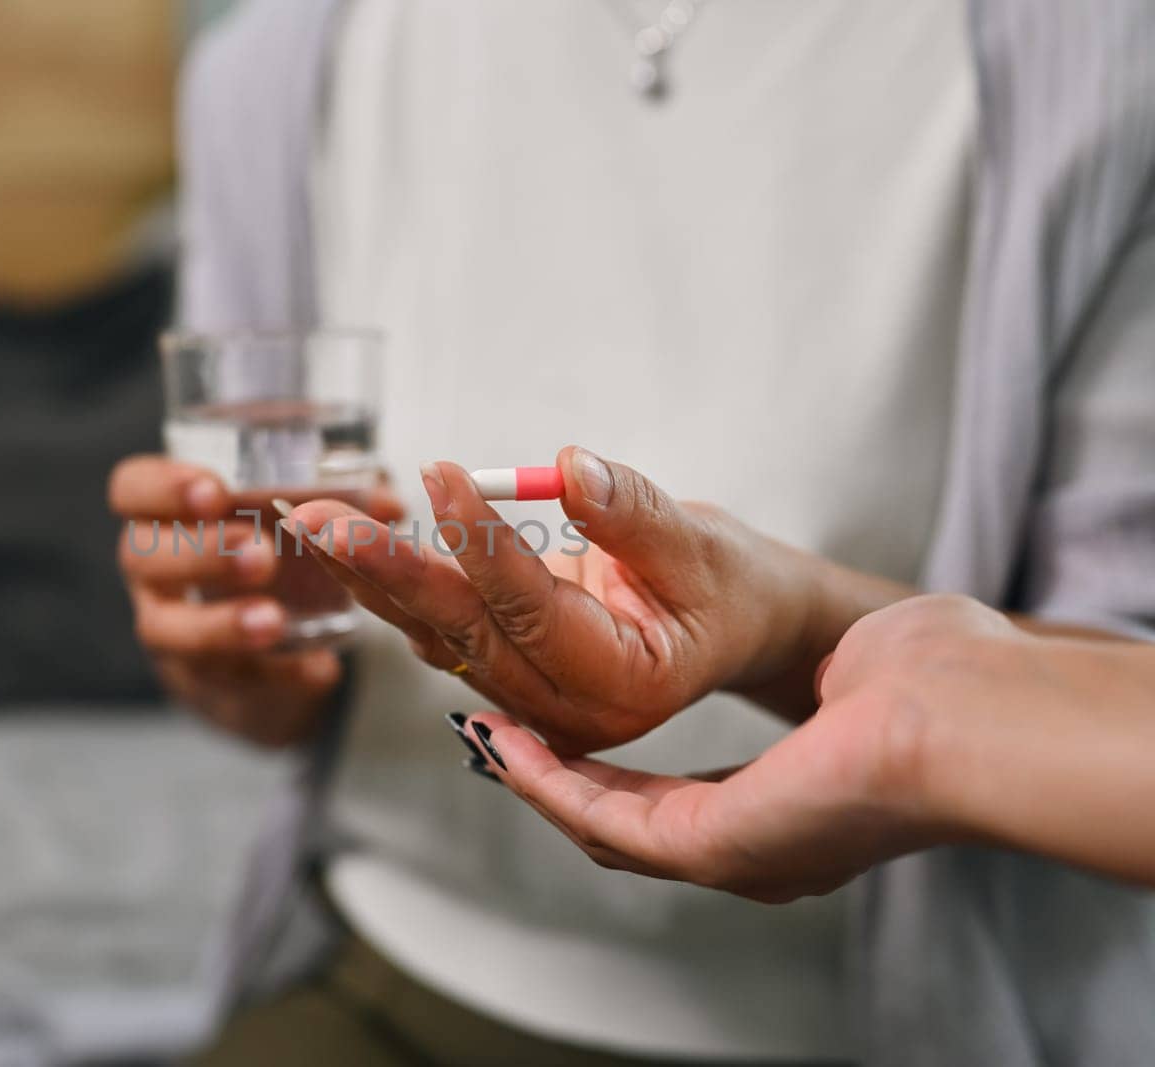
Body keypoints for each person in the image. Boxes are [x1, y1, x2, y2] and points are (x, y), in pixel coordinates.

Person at [111, 1, 1155, 1063]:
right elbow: (280, 663)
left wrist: (796, 632)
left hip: (886, 1025)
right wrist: (239, 659)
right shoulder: (280, 64)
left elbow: (1112, 681)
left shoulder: (1094, 60)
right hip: (386, 970)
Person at [285, 454, 1155, 899]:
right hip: (380, 923)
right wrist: (235, 662)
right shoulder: (279, 103)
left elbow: (1118, 642)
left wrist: (902, 715)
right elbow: (274, 718)